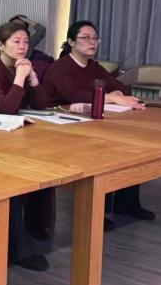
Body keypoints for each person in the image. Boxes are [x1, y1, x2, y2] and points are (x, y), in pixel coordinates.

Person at [44, 20, 155, 227]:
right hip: (58, 125)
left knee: (128, 145)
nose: (92, 42)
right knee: (101, 151)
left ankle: (126, 203)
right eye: (85, 38)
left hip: (87, 122)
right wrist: (110, 98)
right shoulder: (60, 67)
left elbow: (121, 87)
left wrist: (116, 94)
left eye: (95, 38)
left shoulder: (93, 66)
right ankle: (93, 213)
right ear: (71, 42)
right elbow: (72, 94)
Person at [0, 21, 57, 251]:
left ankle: (38, 232)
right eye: (16, 42)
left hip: (12, 133)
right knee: (17, 176)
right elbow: (5, 108)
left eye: (26, 42)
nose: (22, 47)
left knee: (45, 168)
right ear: (1, 45)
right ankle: (18, 243)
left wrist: (33, 79)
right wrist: (20, 77)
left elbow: (41, 104)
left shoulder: (22, 66)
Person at [8, 14, 54, 80]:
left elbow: (42, 30)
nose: (16, 28)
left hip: (19, 74)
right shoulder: (3, 39)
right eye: (14, 25)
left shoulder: (28, 43)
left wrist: (26, 20)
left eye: (20, 26)